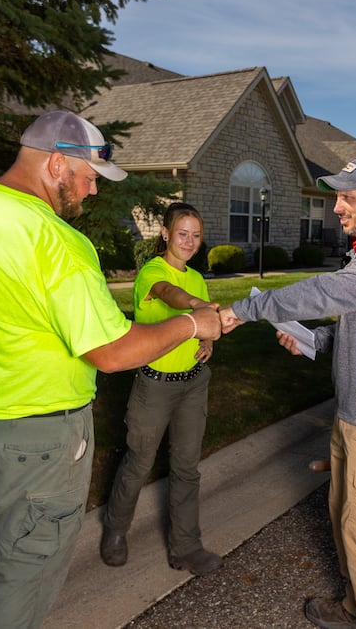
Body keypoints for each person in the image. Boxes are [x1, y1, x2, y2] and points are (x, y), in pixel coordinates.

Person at [0, 110, 221, 629]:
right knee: (20, 572)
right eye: (88, 177)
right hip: (34, 438)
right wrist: (194, 325)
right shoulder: (53, 239)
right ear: (57, 164)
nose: (93, 191)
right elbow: (114, 351)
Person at [220, 157, 356, 629]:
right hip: (353, 415)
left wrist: (247, 308)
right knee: (343, 516)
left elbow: (327, 292)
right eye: (336, 197)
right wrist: (313, 341)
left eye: (348, 197)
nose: (337, 207)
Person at [99, 202, 223, 575]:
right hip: (154, 385)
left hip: (192, 383)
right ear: (166, 234)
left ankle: (185, 547)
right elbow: (172, 295)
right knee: (138, 463)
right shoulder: (152, 272)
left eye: (196, 235)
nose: (189, 241)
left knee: (187, 467)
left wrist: (208, 341)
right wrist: (199, 306)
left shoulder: (198, 277)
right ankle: (115, 531)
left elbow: (201, 326)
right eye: (182, 233)